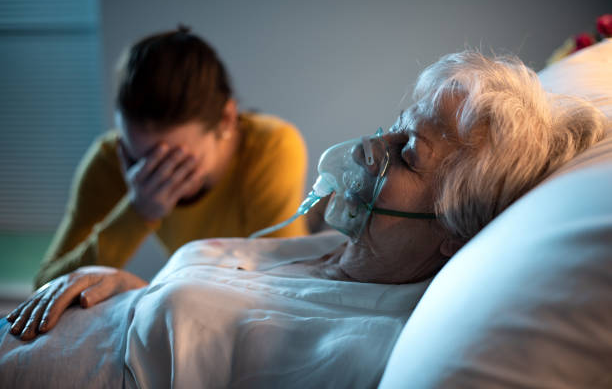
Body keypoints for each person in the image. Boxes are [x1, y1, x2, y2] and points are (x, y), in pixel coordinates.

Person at [2, 50, 608, 387]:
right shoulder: (321, 254)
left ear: (455, 227)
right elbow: (209, 313)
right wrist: (127, 288)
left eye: (410, 151)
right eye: (392, 125)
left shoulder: (360, 344)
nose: (373, 147)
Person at [33, 27, 310, 289]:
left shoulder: (271, 145)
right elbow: (46, 287)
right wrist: (137, 212)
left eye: (178, 162)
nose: (158, 176)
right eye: (140, 158)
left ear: (226, 120)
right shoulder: (110, 159)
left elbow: (286, 281)